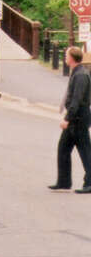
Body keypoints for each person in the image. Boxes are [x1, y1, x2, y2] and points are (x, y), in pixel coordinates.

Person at [49, 46, 91, 193]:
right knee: (63, 149)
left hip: (78, 118)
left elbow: (77, 100)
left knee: (85, 151)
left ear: (72, 58)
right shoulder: (77, 73)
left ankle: (89, 183)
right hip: (75, 118)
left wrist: (67, 118)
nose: (65, 58)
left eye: (66, 55)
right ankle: (64, 181)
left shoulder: (81, 76)